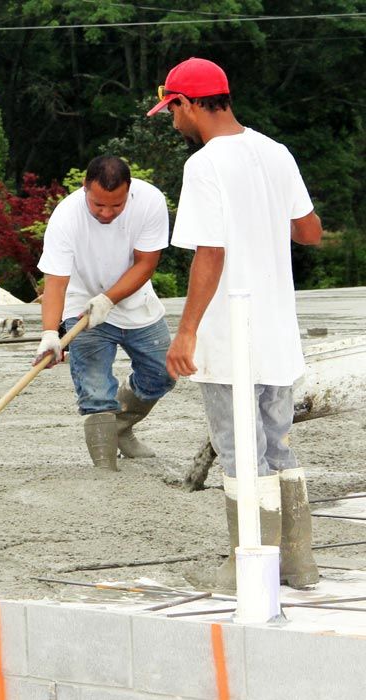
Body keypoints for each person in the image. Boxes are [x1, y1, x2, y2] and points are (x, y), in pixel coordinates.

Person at [151, 57, 323, 590]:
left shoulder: (204, 165)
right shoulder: (275, 151)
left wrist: (186, 332)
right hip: (276, 328)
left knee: (238, 450)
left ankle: (251, 564)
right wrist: (265, 218)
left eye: (171, 110)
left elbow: (210, 253)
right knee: (277, 445)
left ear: (187, 103)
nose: (172, 121)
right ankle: (298, 561)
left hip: (231, 331)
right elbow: (310, 231)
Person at [35, 155, 176, 470]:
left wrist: (110, 299)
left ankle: (120, 427)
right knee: (96, 388)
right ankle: (104, 469)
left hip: (135, 299)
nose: (107, 213)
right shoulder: (66, 217)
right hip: (81, 301)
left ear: (129, 190)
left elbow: (146, 263)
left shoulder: (150, 201)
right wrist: (49, 334)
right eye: (99, 205)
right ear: (85, 188)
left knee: (162, 373)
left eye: (116, 205)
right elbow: (55, 284)